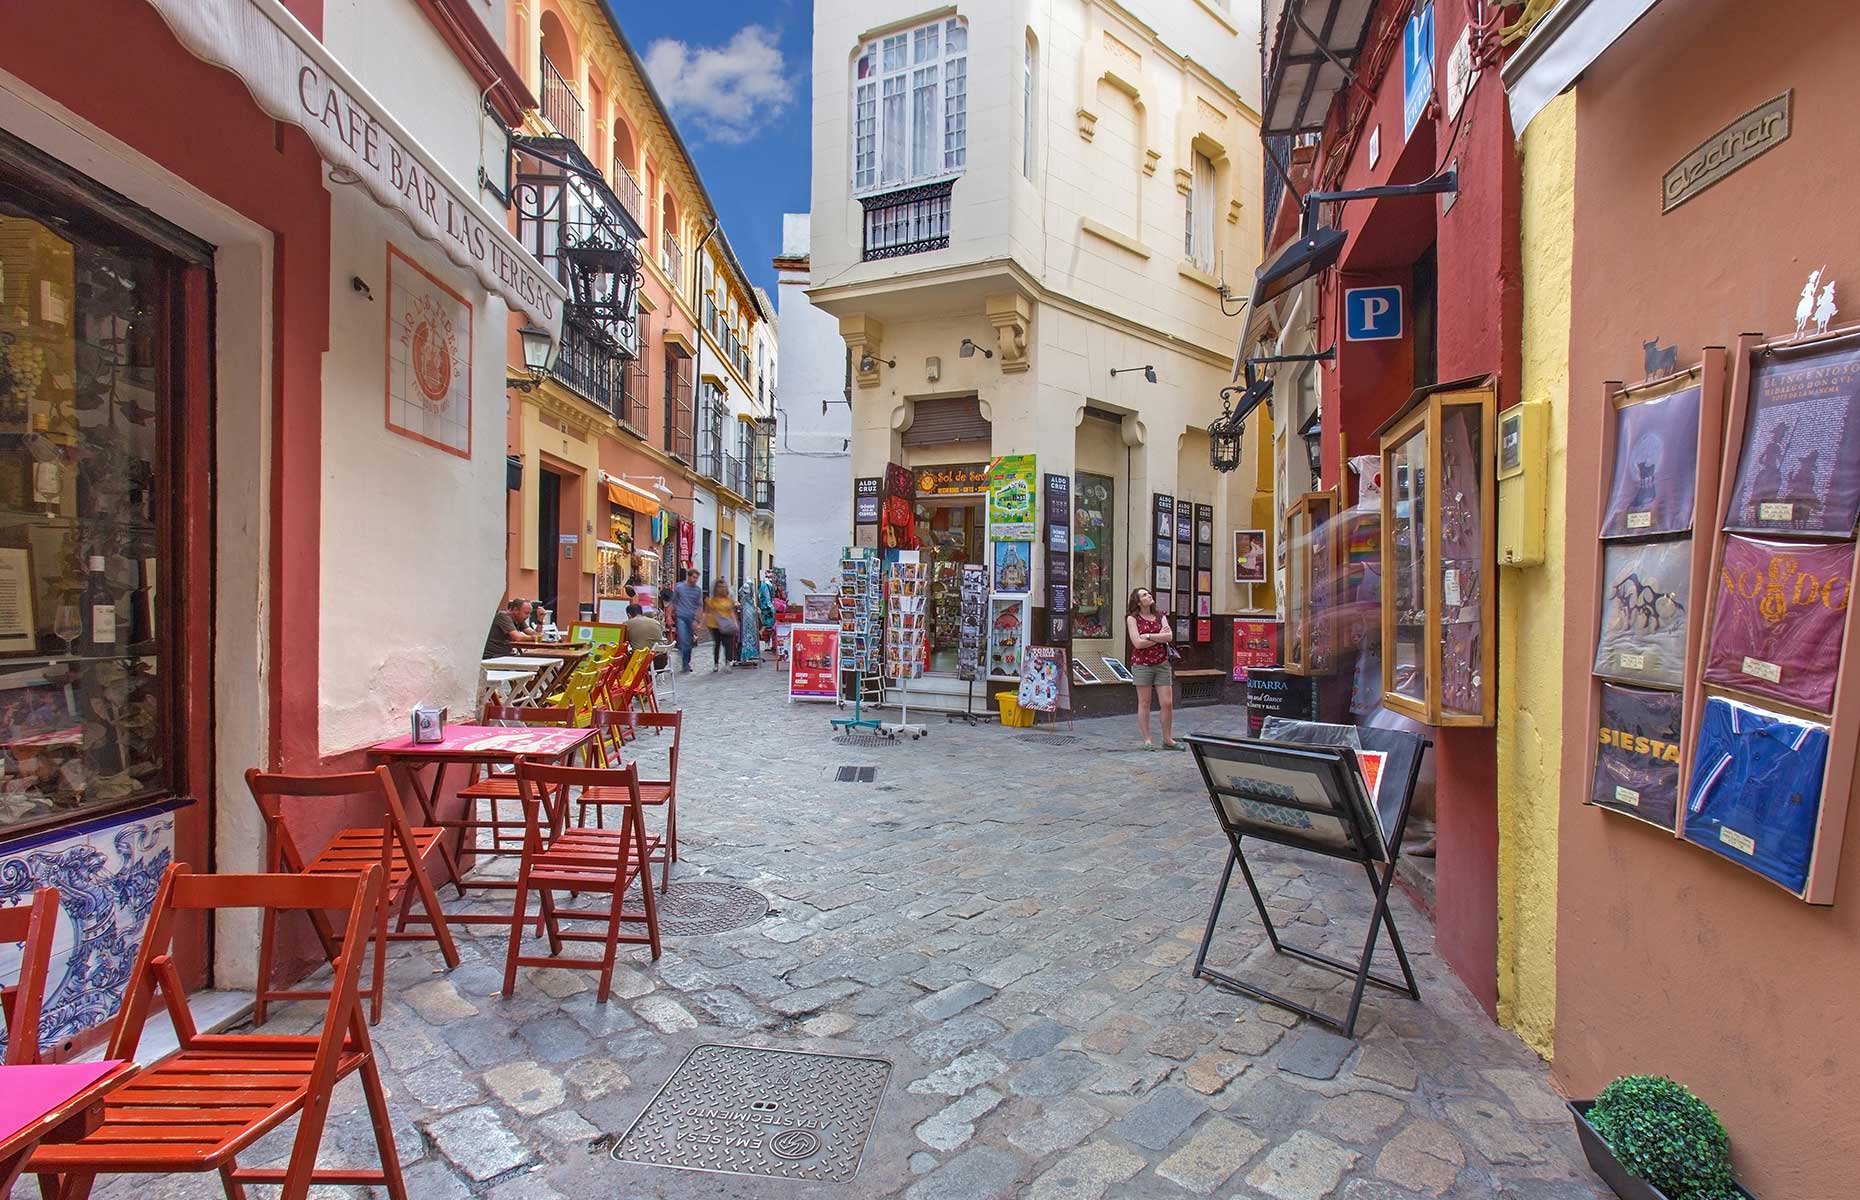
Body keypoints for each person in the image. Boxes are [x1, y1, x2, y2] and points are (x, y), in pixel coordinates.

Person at [1126, 587, 1181, 750]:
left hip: (1162, 663)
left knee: (1167, 702)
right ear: (1138, 601)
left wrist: (1149, 636)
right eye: (1144, 595)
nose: (1149, 596)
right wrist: (1159, 638)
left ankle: (1167, 738)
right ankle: (1147, 740)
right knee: (1144, 702)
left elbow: (1169, 636)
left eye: (1149, 594)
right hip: (1141, 664)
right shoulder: (1132, 619)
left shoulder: (1160, 615)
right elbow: (1137, 643)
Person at [669, 569, 704, 673]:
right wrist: (669, 617)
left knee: (689, 642)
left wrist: (697, 620)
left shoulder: (697, 590)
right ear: (688, 576)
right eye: (693, 577)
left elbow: (699, 606)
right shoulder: (679, 587)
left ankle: (686, 662)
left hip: (691, 618)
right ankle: (685, 663)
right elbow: (673, 602)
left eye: (696, 578)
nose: (695, 580)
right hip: (681, 617)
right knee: (684, 639)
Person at [705, 578, 740, 670]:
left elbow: (732, 612)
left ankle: (727, 662)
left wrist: (735, 623)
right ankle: (716, 663)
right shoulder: (711, 600)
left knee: (727, 644)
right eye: (720, 587)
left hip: (727, 625)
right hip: (715, 625)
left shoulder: (729, 600)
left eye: (724, 587)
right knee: (717, 644)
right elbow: (708, 612)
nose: (722, 589)